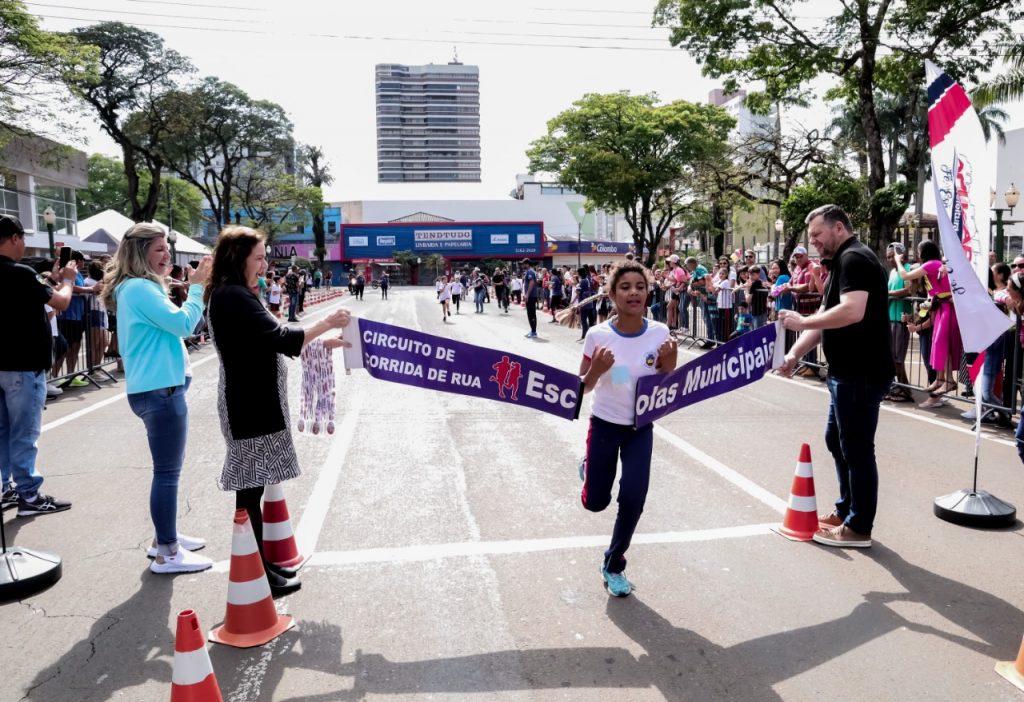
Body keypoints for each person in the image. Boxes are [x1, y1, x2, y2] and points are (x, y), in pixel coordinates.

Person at [206, 227, 350, 594]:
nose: (265, 263)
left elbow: (272, 338)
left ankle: (262, 566)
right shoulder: (232, 296)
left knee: (254, 489)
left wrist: (322, 340)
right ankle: (256, 575)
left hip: (256, 402)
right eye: (259, 257)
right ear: (238, 258)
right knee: (249, 491)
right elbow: (281, 339)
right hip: (248, 405)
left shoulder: (237, 294)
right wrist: (326, 322)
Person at [102, 222, 214, 572]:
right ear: (140, 254)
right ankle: (167, 551)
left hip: (157, 388)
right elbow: (184, 325)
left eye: (167, 248)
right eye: (159, 250)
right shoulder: (138, 288)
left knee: (168, 472)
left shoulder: (137, 287)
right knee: (167, 473)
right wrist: (196, 290)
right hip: (159, 391)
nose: (167, 255)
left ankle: (164, 538)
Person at [778, 204, 892, 549]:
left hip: (861, 373)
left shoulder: (855, 258)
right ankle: (846, 510)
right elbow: (829, 314)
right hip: (845, 373)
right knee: (836, 441)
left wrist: (802, 321)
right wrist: (794, 353)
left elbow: (852, 311)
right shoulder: (842, 261)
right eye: (811, 236)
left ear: (839, 228)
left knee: (857, 449)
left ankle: (859, 526)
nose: (813, 242)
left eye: (817, 234)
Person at [578, 260, 676, 596]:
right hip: (604, 423)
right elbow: (583, 387)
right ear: (612, 294)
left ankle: (614, 563)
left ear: (649, 291)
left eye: (640, 286)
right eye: (625, 287)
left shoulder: (660, 332)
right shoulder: (597, 335)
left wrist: (670, 365)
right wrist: (597, 370)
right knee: (595, 503)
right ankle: (590, 465)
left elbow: (664, 382)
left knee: (633, 498)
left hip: (640, 428)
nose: (633, 292)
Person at [0, 215, 76, 515]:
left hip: (3, 365)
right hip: (23, 365)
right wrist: (68, 281)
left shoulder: (21, 274)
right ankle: (29, 496)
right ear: (15, 238)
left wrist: (49, 280)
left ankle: (5, 489)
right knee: (24, 433)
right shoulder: (19, 273)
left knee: (3, 432)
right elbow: (61, 302)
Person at [894, 240, 962, 408]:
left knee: (942, 342)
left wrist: (897, 260)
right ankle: (940, 379)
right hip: (940, 307)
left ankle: (949, 380)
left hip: (947, 307)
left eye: (918, 250)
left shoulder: (933, 263)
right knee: (937, 343)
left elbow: (904, 276)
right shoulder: (934, 265)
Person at [884, 243, 914, 402]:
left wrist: (886, 293)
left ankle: (905, 390)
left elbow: (908, 290)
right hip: (890, 318)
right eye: (888, 257)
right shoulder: (892, 272)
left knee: (898, 358)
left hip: (901, 319)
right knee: (892, 357)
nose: (890, 260)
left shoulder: (908, 268)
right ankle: (902, 387)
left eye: (892, 256)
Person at [522, 259, 539, 338]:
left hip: (531, 296)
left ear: (527, 264)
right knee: (531, 314)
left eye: (524, 264)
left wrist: (527, 295)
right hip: (531, 296)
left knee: (531, 314)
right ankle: (533, 330)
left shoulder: (530, 272)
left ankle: (534, 332)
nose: (522, 265)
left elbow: (531, 283)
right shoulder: (529, 272)